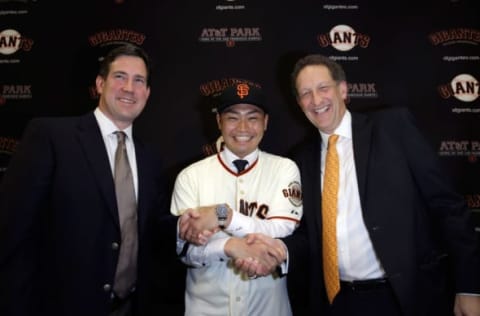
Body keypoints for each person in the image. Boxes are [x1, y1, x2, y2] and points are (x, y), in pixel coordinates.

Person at [235, 54, 480, 316]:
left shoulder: (392, 127)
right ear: (299, 103)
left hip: (406, 298)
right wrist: (277, 252)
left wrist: (470, 287)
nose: (316, 101)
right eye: (306, 93)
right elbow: (307, 235)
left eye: (323, 88)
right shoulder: (300, 160)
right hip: (339, 302)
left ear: (343, 89)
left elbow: (448, 207)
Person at [0, 43, 178, 316]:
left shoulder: (150, 157)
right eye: (120, 77)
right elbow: (12, 231)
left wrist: (192, 223)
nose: (129, 88)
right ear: (99, 83)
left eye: (139, 80)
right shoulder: (52, 137)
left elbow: (153, 229)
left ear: (148, 92)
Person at [170, 82, 303, 316]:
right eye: (232, 117)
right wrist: (229, 247)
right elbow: (186, 251)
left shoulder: (284, 169)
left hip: (269, 309)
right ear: (219, 122)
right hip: (206, 310)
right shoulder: (190, 176)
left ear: (266, 122)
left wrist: (224, 216)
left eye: (253, 118)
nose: (243, 127)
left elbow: (284, 229)